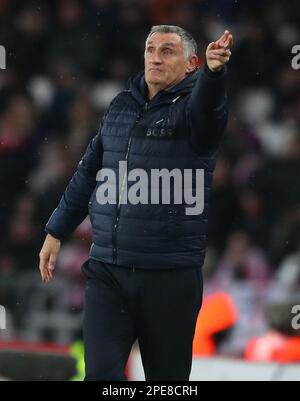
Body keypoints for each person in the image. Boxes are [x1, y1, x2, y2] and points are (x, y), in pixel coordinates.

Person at [39, 25, 233, 381]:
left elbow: (210, 108)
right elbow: (88, 171)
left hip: (169, 275)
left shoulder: (195, 110)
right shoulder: (121, 105)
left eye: (167, 51)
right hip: (108, 270)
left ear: (191, 64)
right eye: (150, 49)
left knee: (168, 384)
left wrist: (214, 72)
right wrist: (56, 230)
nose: (155, 57)